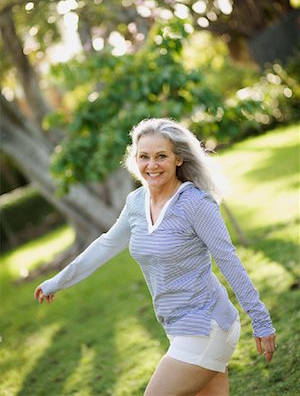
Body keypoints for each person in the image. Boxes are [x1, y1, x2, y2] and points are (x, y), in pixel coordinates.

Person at [34, 118, 276, 396]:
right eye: (144, 157)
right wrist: (58, 281)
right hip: (176, 325)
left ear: (178, 159)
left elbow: (228, 260)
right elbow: (106, 244)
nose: (151, 165)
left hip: (206, 325)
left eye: (161, 156)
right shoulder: (136, 202)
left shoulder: (195, 203)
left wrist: (261, 321)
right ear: (134, 160)